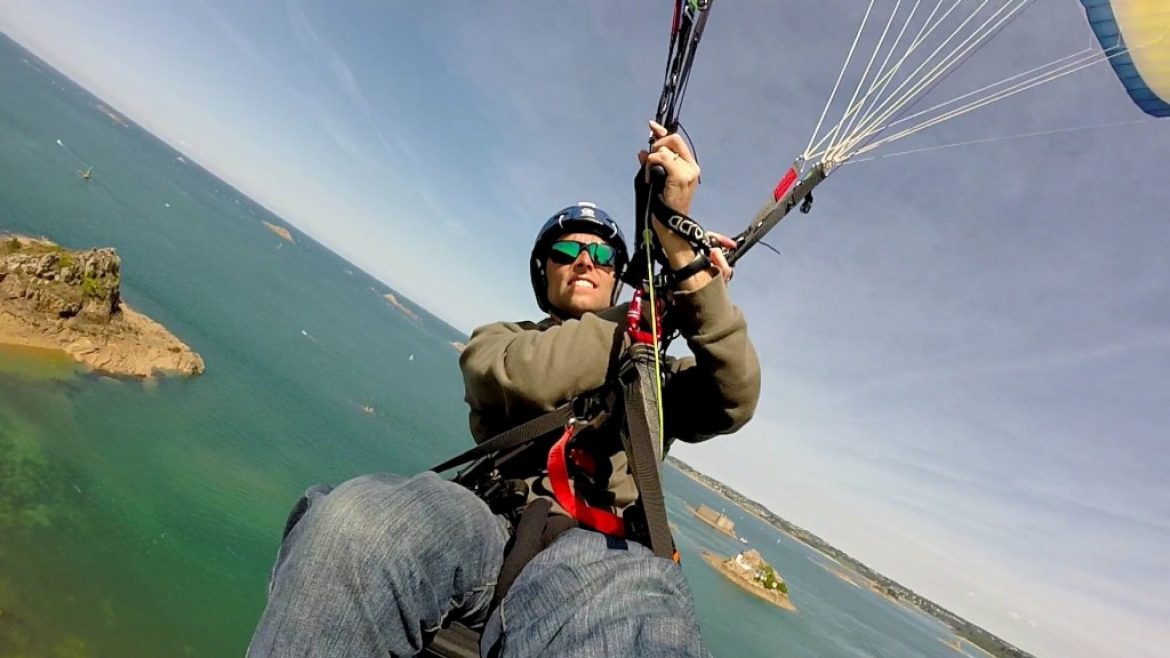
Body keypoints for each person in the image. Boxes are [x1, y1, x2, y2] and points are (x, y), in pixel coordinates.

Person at [246, 122, 760, 658]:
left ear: (617, 277)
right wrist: (650, 309)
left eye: (604, 256)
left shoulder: (654, 375)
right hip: (488, 527)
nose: (586, 261)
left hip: (604, 553)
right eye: (566, 251)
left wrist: (692, 275)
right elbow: (532, 375)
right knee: (360, 523)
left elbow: (734, 396)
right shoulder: (500, 341)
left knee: (632, 625)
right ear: (544, 272)